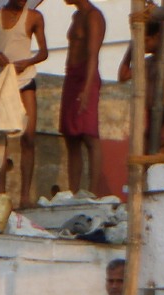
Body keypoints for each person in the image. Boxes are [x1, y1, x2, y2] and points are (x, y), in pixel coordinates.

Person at [0, 0, 48, 208]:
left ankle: (25, 196)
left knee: (29, 136)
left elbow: (43, 52)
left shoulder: (34, 17)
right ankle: (1, 194)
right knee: (0, 139)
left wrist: (28, 62)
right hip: (1, 80)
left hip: (25, 79)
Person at [60, 0, 105, 195]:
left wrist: (86, 89)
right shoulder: (77, 16)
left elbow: (93, 55)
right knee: (71, 135)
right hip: (71, 76)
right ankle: (73, 191)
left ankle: (92, 192)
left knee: (89, 134)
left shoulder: (93, 16)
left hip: (86, 77)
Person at [118, 22, 164, 154]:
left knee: (160, 160)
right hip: (150, 115)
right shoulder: (148, 62)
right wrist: (131, 48)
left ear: (157, 37)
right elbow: (123, 76)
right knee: (146, 160)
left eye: (146, 40)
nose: (143, 45)